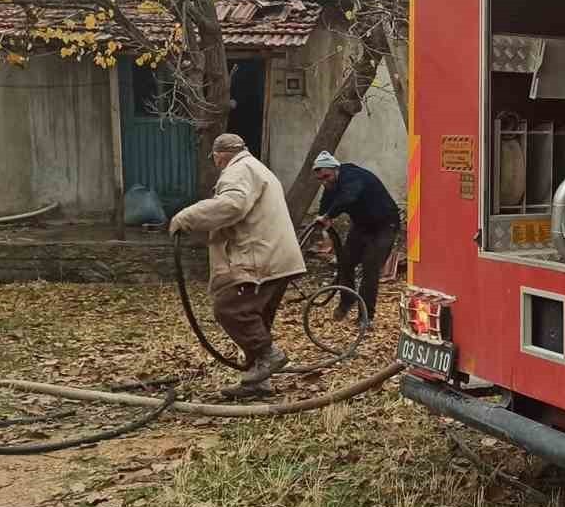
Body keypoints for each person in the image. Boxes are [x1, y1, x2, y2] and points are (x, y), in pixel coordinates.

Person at [170, 133, 306, 398]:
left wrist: (186, 217)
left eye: (215, 158)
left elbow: (232, 205)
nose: (216, 162)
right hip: (277, 257)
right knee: (257, 319)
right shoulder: (257, 168)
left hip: (260, 257)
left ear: (220, 155)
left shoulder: (238, 170)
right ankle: (258, 382)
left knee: (230, 309)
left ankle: (269, 355)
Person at [311, 151, 399, 323]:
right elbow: (325, 204)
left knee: (370, 269)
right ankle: (347, 300)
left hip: (384, 226)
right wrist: (322, 217)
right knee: (345, 263)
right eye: (320, 179)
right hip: (362, 226)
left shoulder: (353, 176)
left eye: (326, 177)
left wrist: (329, 215)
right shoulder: (331, 184)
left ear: (336, 169)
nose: (324, 182)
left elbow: (348, 197)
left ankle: (366, 316)